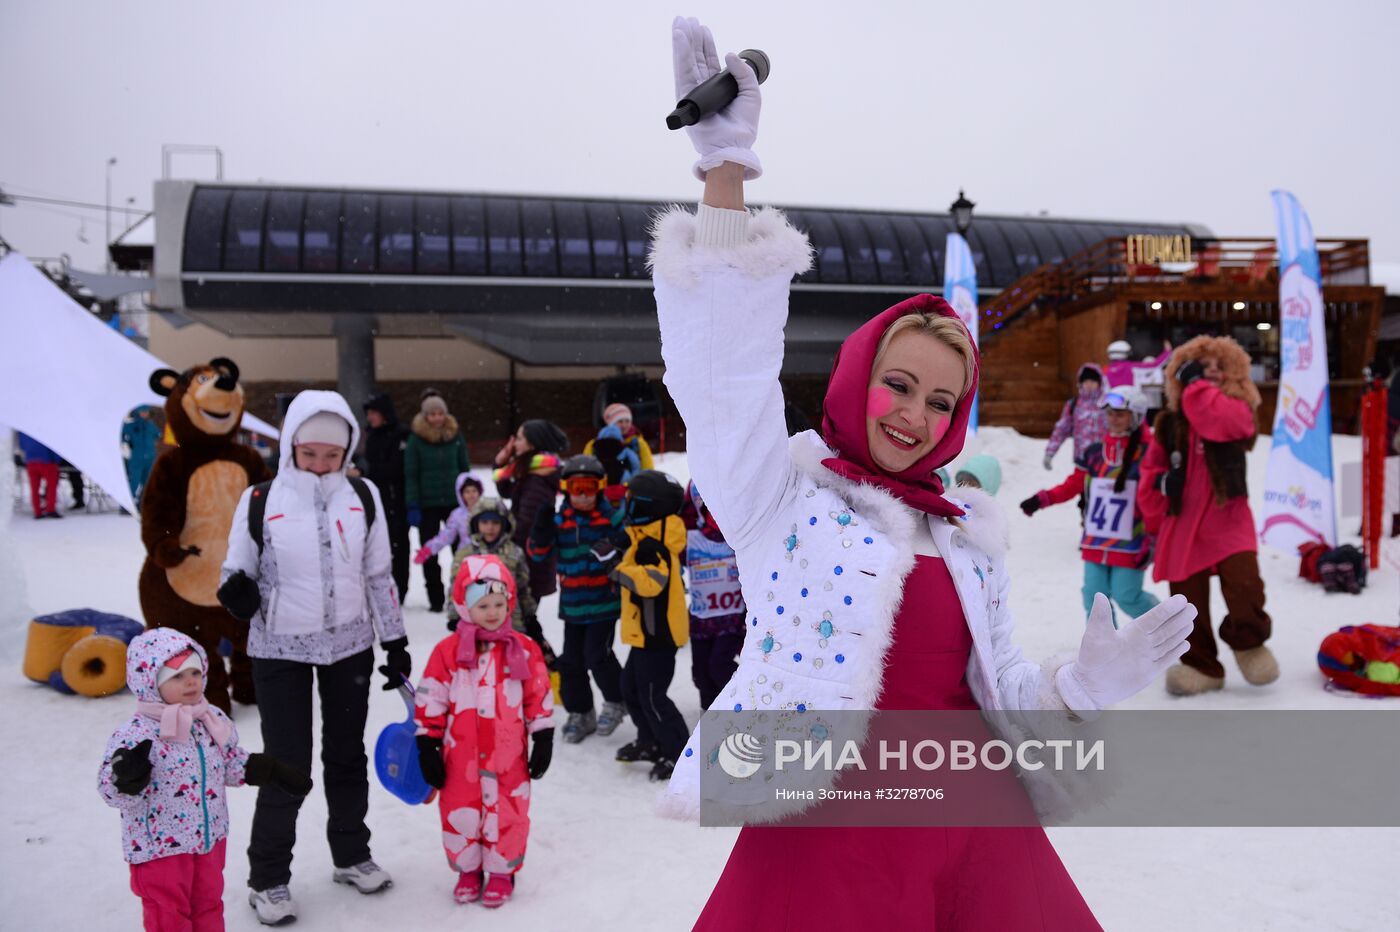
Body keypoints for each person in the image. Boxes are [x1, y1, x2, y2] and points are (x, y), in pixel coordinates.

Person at [651, 19, 1195, 926]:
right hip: (829, 829)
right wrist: (725, 175)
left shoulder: (966, 528)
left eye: (941, 403)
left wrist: (1084, 684)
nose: (915, 416)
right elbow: (722, 377)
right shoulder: (779, 498)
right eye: (898, 386)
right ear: (859, 379)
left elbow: (1004, 686)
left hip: (977, 819)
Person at [216, 390, 409, 925]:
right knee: (287, 765)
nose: (323, 465)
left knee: (347, 758)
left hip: (349, 647)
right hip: (280, 650)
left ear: (347, 450)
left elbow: (377, 575)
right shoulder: (261, 499)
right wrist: (234, 590)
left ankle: (351, 854)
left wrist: (394, 642)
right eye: (311, 454)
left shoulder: (362, 496)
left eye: (333, 454)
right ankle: (269, 879)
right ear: (291, 447)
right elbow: (236, 567)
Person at [99, 628, 311, 931]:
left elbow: (227, 762)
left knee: (209, 905)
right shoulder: (136, 733)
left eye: (195, 671)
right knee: (168, 914)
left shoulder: (208, 719)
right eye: (176, 676)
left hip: (209, 839)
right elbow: (109, 790)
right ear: (150, 682)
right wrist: (126, 779)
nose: (190, 681)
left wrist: (265, 769)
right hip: (160, 848)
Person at [1138, 337, 1278, 696]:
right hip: (1185, 523)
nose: (1210, 371)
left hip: (1227, 517)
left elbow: (1219, 422)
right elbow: (1149, 472)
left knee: (1245, 583)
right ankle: (1202, 665)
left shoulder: (1238, 409)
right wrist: (1160, 491)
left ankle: (1249, 644)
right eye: (1201, 365)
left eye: (1217, 365)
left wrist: (1195, 383)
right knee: (1187, 602)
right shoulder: (1169, 423)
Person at [414, 554, 554, 909]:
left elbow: (538, 694)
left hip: (509, 757)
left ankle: (502, 870)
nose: (492, 612)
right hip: (460, 758)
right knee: (461, 809)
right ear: (464, 606)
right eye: (482, 605)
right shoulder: (447, 653)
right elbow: (432, 697)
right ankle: (468, 869)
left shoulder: (522, 649)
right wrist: (427, 744)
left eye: (498, 603)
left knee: (508, 811)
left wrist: (543, 736)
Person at [1022, 388, 1160, 621]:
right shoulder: (1095, 453)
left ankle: (1167, 628)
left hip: (1131, 541)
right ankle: (1105, 650)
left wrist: (1153, 538)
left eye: (1120, 414)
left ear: (1135, 416)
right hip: (1096, 539)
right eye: (1110, 414)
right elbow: (1074, 484)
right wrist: (1043, 499)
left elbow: (1154, 499)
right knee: (1094, 599)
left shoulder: (1147, 453)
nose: (1113, 419)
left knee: (1127, 595)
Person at [593, 469, 691, 782]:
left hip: (658, 635)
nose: (626, 508)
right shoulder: (646, 537)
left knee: (652, 696)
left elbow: (651, 583)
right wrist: (618, 551)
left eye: (631, 502)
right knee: (630, 688)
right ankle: (650, 741)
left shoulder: (655, 545)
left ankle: (678, 753)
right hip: (645, 633)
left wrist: (614, 566)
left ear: (647, 507)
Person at [681, 480, 745, 709]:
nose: (717, 517)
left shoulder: (742, 537)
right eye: (710, 510)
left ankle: (745, 707)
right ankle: (710, 722)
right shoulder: (690, 537)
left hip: (733, 617)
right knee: (700, 674)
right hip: (702, 619)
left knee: (720, 666)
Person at [405, 394, 472, 612]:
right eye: (432, 414)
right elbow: (411, 473)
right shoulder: (416, 440)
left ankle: (462, 593)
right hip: (428, 504)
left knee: (461, 549)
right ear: (425, 416)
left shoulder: (455, 436)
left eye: (440, 413)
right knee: (429, 550)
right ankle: (435, 598)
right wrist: (413, 503)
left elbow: (464, 468)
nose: (437, 418)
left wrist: (469, 496)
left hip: (454, 503)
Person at [492, 419, 569, 604]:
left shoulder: (538, 478)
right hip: (528, 558)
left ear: (532, 443)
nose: (514, 443)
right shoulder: (532, 470)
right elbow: (508, 491)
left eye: (519, 438)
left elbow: (527, 524)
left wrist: (506, 548)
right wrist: (499, 463)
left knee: (523, 621)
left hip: (528, 561)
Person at [443, 496, 538, 636]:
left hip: (511, 622)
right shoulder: (465, 554)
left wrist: (529, 615)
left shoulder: (514, 552)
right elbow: (455, 588)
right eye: (485, 522)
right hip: (474, 623)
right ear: (476, 524)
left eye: (495, 522)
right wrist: (454, 616)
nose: (490, 527)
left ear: (504, 524)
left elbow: (522, 587)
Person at [360, 393, 412, 603]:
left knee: (398, 548)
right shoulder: (372, 435)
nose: (370, 417)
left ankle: (399, 591)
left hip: (395, 502)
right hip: (375, 502)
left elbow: (396, 469)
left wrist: (366, 471)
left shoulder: (400, 435)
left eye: (374, 413)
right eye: (368, 413)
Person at [412, 472, 485, 572]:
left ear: (479, 492)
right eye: (467, 492)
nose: (471, 495)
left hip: (486, 556)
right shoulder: (457, 515)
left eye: (474, 491)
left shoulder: (488, 510)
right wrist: (429, 549)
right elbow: (446, 535)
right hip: (465, 558)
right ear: (461, 494)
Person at [1043, 363, 1108, 470]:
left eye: (1092, 381)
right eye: (1086, 381)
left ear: (1099, 382)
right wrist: (1050, 452)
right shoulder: (1074, 404)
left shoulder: (1107, 403)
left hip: (1106, 458)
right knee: (1079, 485)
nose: (1089, 384)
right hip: (1082, 459)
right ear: (1080, 383)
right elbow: (1061, 429)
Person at [583, 403, 654, 471]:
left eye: (627, 421)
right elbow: (587, 468)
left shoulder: (638, 443)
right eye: (620, 421)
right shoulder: (593, 445)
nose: (624, 425)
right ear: (611, 424)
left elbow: (648, 469)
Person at [591, 422, 641, 506]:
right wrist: (633, 482)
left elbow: (591, 466)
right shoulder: (626, 450)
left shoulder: (596, 452)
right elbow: (636, 466)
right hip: (623, 483)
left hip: (604, 485)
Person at [122, 406, 161, 508]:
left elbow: (159, 436)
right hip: (136, 458)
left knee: (147, 482)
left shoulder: (151, 425)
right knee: (134, 481)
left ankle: (142, 503)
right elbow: (122, 436)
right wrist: (126, 444)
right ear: (138, 412)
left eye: (146, 412)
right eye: (142, 412)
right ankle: (127, 504)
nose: (144, 414)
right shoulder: (130, 425)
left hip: (150, 458)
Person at [17, 431, 62, 518]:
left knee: (34, 488)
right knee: (51, 486)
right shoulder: (46, 429)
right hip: (47, 461)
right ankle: (50, 509)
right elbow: (54, 446)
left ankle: (37, 512)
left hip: (31, 461)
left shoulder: (24, 431)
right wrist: (57, 460)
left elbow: (22, 446)